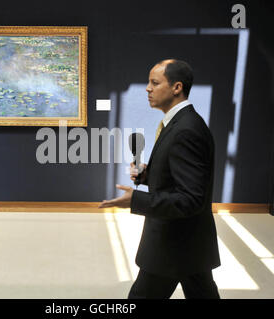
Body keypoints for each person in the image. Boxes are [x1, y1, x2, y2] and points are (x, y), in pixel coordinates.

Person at [98, 59, 221, 299]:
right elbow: (180, 178)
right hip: (189, 242)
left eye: (154, 82)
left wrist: (136, 201)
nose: (147, 88)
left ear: (177, 87)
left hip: (173, 243)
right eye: (148, 83)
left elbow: (190, 199)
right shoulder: (178, 123)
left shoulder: (186, 130)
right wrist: (147, 175)